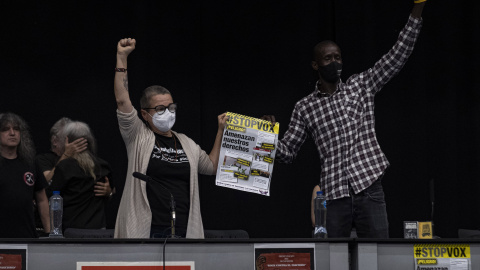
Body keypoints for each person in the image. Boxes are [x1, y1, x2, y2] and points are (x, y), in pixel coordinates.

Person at [266, 1, 426, 238]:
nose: (335, 62)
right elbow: (287, 152)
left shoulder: (361, 86)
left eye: (338, 57)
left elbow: (397, 56)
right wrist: (266, 134)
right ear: (315, 64)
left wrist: (418, 8)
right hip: (334, 195)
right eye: (328, 59)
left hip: (369, 188)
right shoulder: (305, 107)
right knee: (333, 260)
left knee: (377, 257)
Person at [113, 38, 227, 239]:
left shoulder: (186, 143)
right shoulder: (137, 135)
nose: (168, 112)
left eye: (171, 107)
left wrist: (221, 131)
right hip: (146, 231)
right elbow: (122, 100)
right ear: (144, 114)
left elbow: (211, 166)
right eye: (160, 109)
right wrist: (122, 58)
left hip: (183, 230)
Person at [45, 121, 113, 231]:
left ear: (67, 140)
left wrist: (109, 191)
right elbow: (112, 192)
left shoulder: (64, 167)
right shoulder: (103, 166)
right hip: (99, 231)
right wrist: (109, 192)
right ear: (90, 141)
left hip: (72, 231)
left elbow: (50, 195)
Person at [0, 112, 50, 237]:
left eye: (16, 129)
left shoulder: (31, 163)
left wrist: (50, 233)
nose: (12, 133)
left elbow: (42, 199)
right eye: (5, 129)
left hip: (27, 235)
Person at [36, 117, 114, 197]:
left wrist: (109, 192)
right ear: (55, 141)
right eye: (67, 137)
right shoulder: (44, 159)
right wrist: (66, 155)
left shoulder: (99, 164)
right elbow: (45, 182)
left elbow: (112, 187)